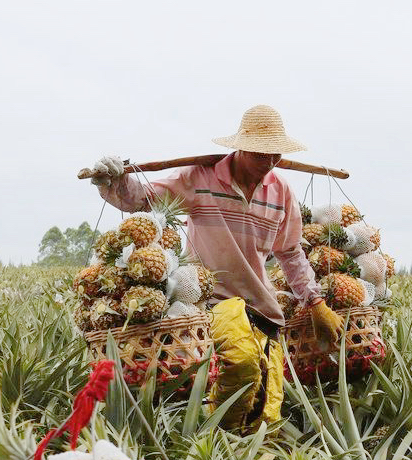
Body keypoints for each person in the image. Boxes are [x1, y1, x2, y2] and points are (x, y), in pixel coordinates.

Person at [89, 104, 345, 434]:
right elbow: (142, 199)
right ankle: (218, 443)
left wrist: (316, 303)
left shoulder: (281, 191)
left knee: (266, 401)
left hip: (263, 309)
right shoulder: (199, 179)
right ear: (240, 147)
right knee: (241, 366)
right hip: (212, 302)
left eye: (275, 154)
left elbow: (291, 253)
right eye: (260, 154)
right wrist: (112, 180)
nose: (268, 163)